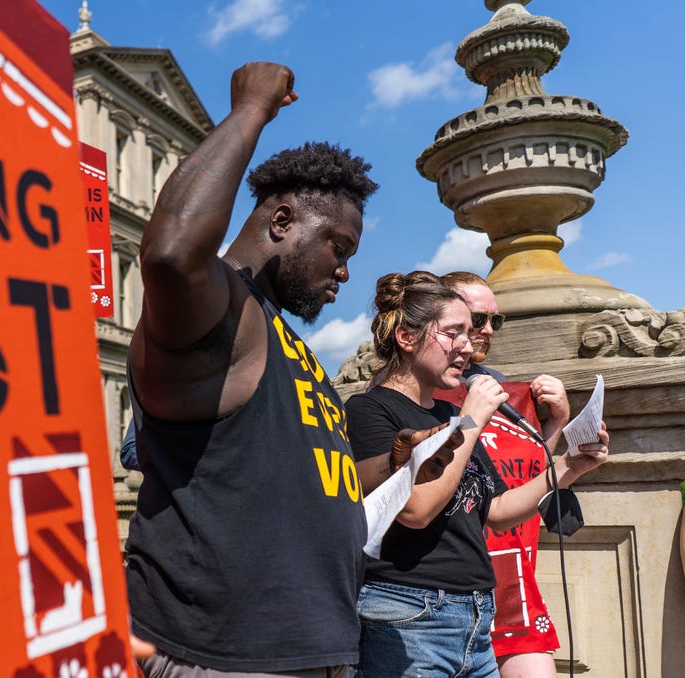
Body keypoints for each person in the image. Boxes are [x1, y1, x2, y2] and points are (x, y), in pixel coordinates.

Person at [125, 61, 378, 677]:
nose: (344, 272)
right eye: (337, 248)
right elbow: (168, 254)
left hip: (311, 648)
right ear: (282, 222)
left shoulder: (280, 335)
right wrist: (250, 111)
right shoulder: (223, 313)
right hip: (225, 654)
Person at [347, 272, 608, 678]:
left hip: (475, 618)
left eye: (470, 334)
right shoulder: (370, 411)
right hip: (409, 616)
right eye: (454, 333)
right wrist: (470, 419)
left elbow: (497, 509)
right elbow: (415, 511)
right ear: (406, 338)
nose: (468, 347)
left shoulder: (450, 413)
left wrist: (572, 466)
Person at [439, 271, 572, 677]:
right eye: (477, 320)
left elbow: (522, 470)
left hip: (514, 579)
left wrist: (559, 422)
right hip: (450, 582)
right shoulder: (421, 392)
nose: (487, 331)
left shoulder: (500, 388)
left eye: (495, 321)